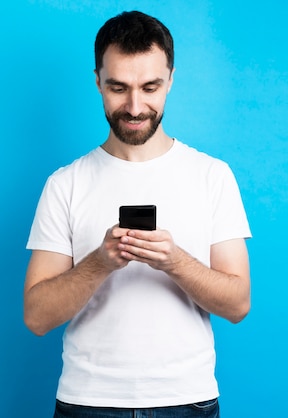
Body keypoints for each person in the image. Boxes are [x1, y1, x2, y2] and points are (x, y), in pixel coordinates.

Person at [23, 10, 251, 418]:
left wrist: (174, 261)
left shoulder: (212, 176)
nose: (134, 106)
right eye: (117, 87)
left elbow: (237, 304)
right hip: (87, 403)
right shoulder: (65, 184)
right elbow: (37, 317)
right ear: (97, 82)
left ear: (171, 81)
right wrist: (99, 263)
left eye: (150, 87)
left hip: (187, 402)